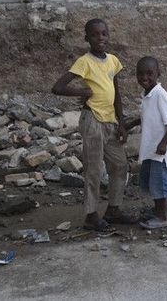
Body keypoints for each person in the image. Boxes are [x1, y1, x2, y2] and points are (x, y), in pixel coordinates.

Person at [51, 18, 138, 232]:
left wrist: (122, 123)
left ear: (108, 36)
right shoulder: (84, 61)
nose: (100, 38)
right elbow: (58, 87)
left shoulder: (113, 61)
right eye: (95, 35)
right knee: (93, 170)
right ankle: (91, 215)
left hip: (111, 122)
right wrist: (82, 92)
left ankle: (113, 209)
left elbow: (117, 93)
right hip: (92, 121)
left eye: (104, 34)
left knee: (120, 165)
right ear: (87, 38)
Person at [132, 56, 167, 230]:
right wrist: (130, 124)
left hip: (160, 151)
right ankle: (157, 210)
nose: (144, 77)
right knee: (152, 181)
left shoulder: (160, 94)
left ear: (158, 74)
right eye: (140, 74)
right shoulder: (147, 95)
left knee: (160, 183)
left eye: (149, 73)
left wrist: (164, 143)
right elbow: (146, 117)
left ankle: (163, 216)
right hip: (151, 149)